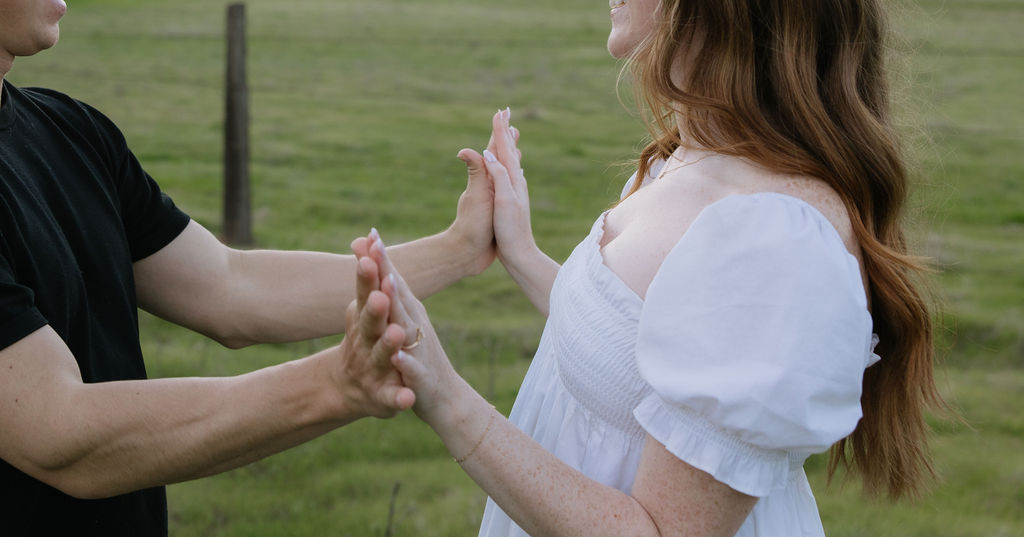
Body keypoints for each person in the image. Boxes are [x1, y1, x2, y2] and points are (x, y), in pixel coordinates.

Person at [355, 0, 942, 535]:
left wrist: (448, 397)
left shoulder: (771, 244)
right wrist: (522, 253)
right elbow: (632, 355)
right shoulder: (692, 153)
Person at [0, 1, 496, 534]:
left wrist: (460, 249)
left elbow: (228, 286)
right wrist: (333, 385)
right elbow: (61, 434)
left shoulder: (70, 130)